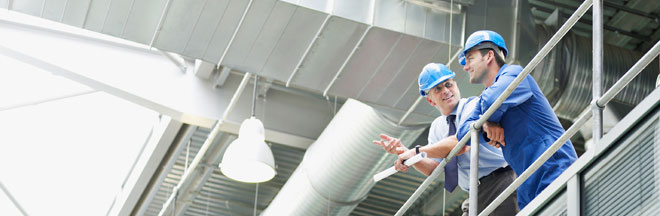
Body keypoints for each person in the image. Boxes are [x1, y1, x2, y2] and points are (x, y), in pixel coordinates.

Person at [455, 30, 578, 209]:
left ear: (489, 55)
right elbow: (463, 133)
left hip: (552, 166)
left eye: (470, 58)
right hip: (526, 182)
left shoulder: (515, 74)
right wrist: (488, 125)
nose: (465, 67)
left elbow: (491, 101)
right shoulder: (488, 97)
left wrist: (486, 121)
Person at [374, 63, 519, 215]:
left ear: (456, 86)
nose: (446, 91)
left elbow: (461, 143)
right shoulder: (437, 127)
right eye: (438, 89)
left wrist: (416, 151)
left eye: (448, 84)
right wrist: (405, 153)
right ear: (431, 101)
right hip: (475, 192)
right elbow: (432, 168)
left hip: (501, 179)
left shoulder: (473, 106)